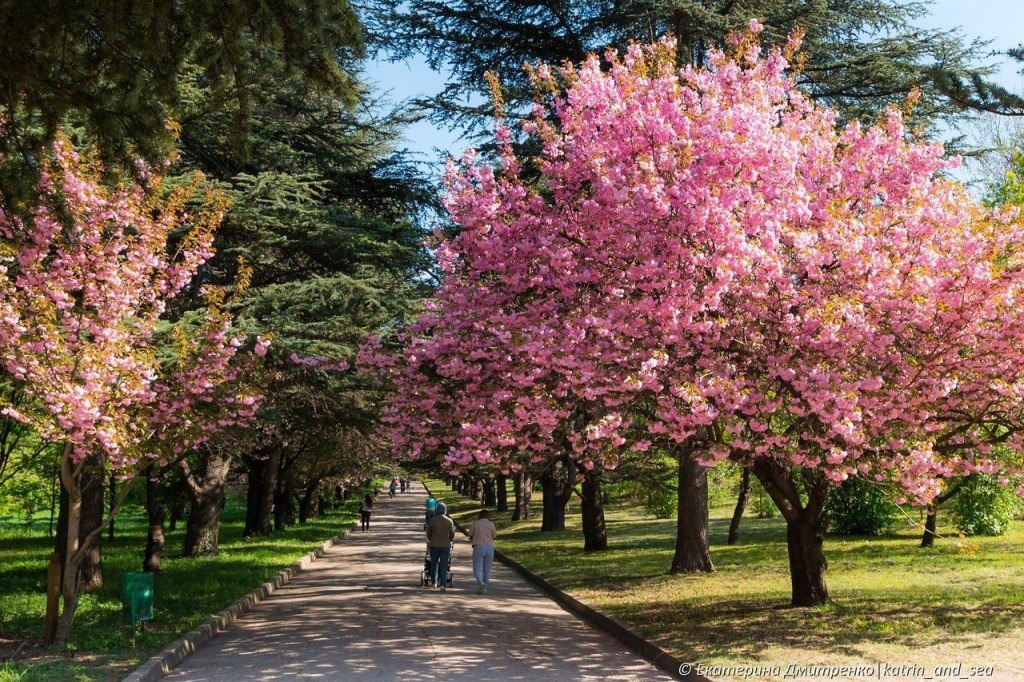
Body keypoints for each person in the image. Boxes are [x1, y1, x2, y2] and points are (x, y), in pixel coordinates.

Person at [425, 501, 455, 591]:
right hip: (445, 545)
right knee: (444, 565)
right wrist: (449, 540)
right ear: (445, 510)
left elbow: (428, 534)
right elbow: (452, 534)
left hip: (434, 545)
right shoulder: (449, 521)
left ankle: (434, 583)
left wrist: (431, 539)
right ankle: (442, 585)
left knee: (434, 564)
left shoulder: (431, 521)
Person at [467, 509, 498, 594]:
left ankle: (481, 584)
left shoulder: (476, 523)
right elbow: (494, 536)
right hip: (490, 547)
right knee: (487, 570)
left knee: (477, 568)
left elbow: (470, 534)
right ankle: (485, 588)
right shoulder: (491, 524)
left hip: (478, 546)